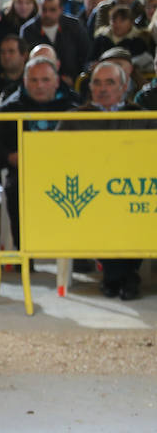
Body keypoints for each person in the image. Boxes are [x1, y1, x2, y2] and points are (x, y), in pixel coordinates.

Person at [63, 60, 152, 299]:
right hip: (89, 193)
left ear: (124, 88)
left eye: (110, 83)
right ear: (90, 88)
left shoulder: (143, 117)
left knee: (133, 210)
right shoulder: (73, 119)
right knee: (102, 209)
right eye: (97, 83)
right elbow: (58, 156)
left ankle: (115, 278)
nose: (103, 89)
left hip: (131, 192)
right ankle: (124, 277)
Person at [0, 57, 78, 248]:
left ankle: (77, 252)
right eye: (34, 80)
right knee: (16, 187)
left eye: (45, 80)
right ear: (25, 82)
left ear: (56, 81)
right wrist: (9, 157)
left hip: (69, 173)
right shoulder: (9, 109)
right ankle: (24, 252)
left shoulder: (74, 106)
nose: (39, 86)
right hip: (24, 173)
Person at [19, 0, 90, 85]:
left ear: (61, 9)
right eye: (44, 10)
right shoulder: (28, 31)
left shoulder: (74, 26)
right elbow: (25, 62)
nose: (47, 14)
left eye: (52, 10)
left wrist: (74, 78)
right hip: (39, 83)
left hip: (72, 83)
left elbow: (86, 55)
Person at [89, 5, 153, 65]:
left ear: (131, 22)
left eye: (122, 20)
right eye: (114, 20)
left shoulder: (139, 41)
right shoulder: (101, 39)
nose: (117, 24)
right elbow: (89, 61)